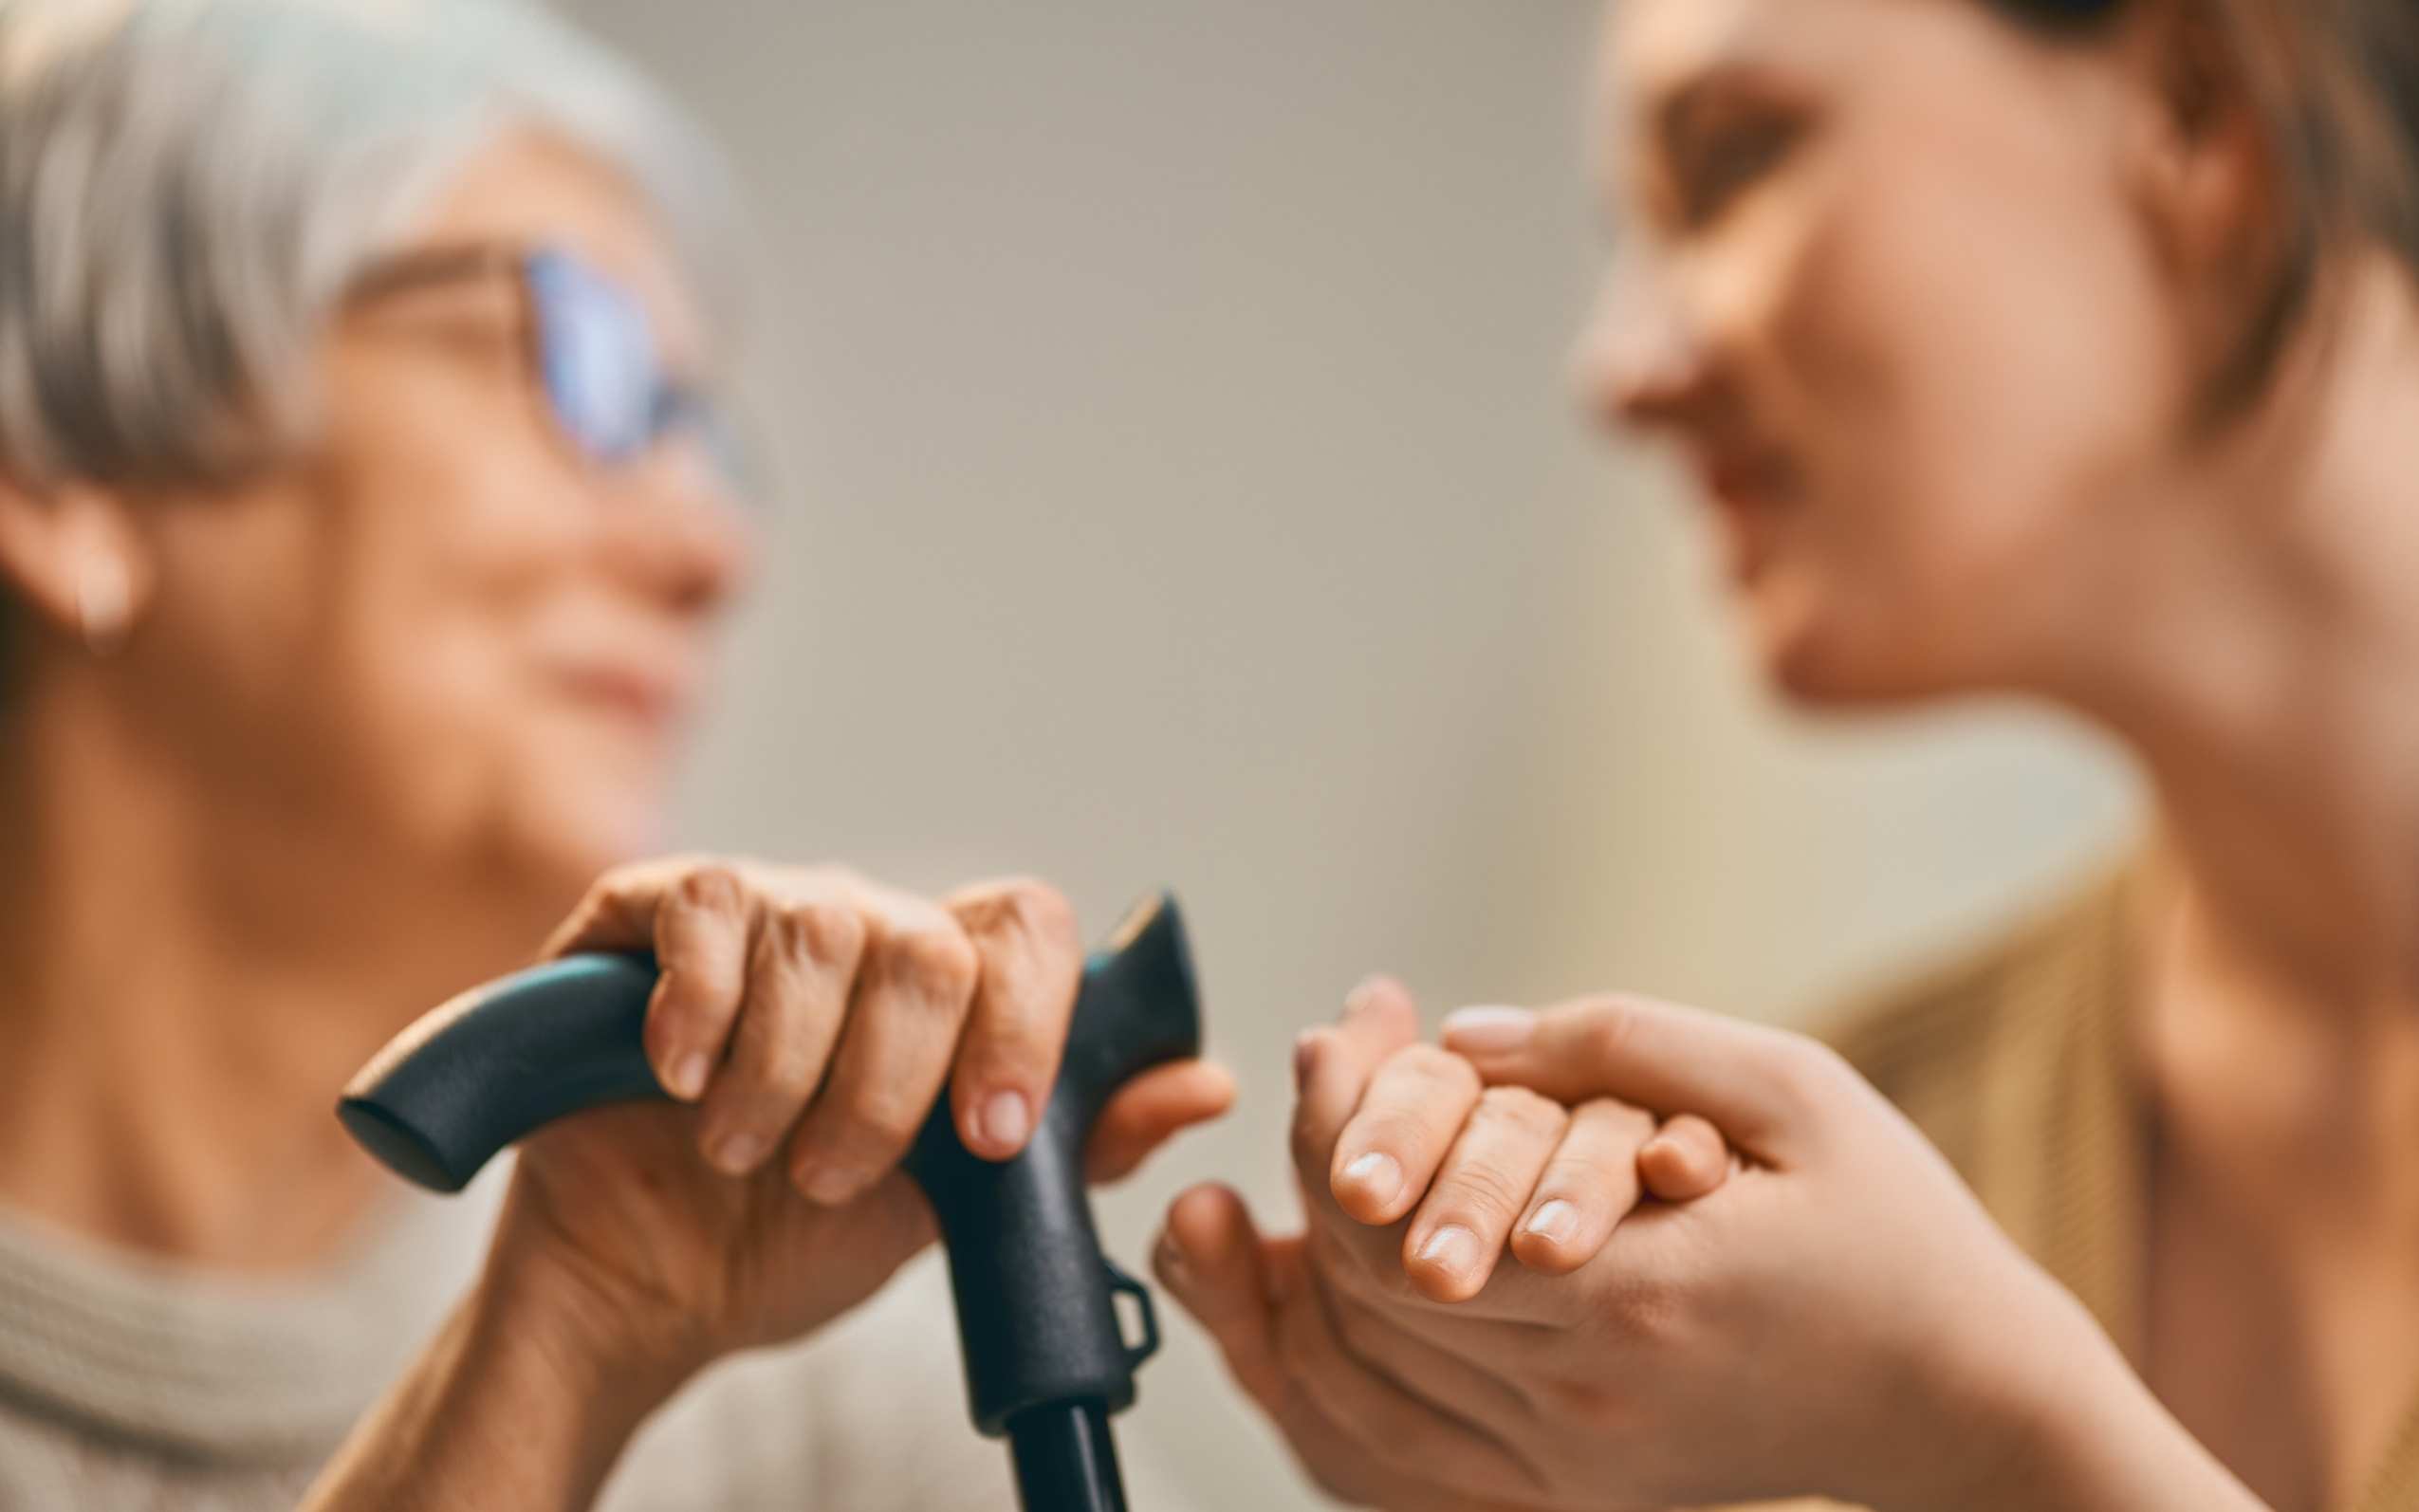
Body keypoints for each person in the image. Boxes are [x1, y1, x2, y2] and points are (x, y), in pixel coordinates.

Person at [1156, 1, 2419, 1510]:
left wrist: (1984, 1442)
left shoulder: (1901, 1329)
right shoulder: (1892, 1152)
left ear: (2192, 113)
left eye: (1734, 161)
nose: (1619, 369)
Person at [0, 2, 1247, 1507]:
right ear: (71, 470)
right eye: (581, 366)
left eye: (698, 433)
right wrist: (546, 1362)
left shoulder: (808, 1386)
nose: (709, 549)